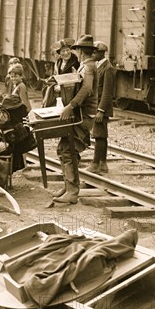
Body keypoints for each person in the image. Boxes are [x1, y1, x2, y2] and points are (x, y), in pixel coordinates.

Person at [53, 34, 98, 204]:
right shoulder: (85, 66)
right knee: (64, 148)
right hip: (79, 114)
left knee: (68, 150)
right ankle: (68, 186)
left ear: (81, 52)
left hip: (83, 116)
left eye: (77, 50)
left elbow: (86, 89)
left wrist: (69, 106)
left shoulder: (87, 68)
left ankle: (72, 192)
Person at [87, 41, 116, 174]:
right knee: (101, 135)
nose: (92, 54)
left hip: (101, 108)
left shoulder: (108, 68)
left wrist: (101, 110)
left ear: (101, 53)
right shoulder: (100, 66)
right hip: (98, 107)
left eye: (94, 52)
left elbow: (107, 92)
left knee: (99, 135)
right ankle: (103, 164)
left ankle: (95, 164)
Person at [42, 38, 80, 107]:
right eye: (63, 51)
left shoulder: (76, 61)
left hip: (71, 93)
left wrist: (62, 87)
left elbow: (76, 79)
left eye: (67, 50)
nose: (66, 53)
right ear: (59, 53)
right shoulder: (58, 61)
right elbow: (56, 75)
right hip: (59, 92)